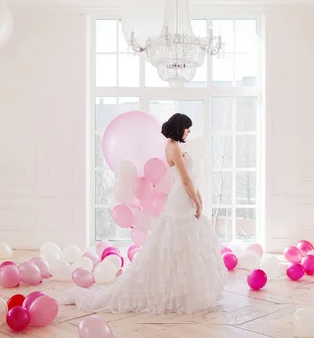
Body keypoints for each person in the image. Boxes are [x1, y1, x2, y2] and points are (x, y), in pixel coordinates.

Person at [63, 113, 227, 314]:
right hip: (180, 200)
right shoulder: (173, 148)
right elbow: (185, 180)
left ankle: (181, 292)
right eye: (187, 128)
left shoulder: (176, 146)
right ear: (179, 127)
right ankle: (172, 293)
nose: (189, 132)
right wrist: (198, 203)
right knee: (177, 244)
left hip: (185, 198)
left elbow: (191, 178)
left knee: (186, 245)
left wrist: (198, 199)